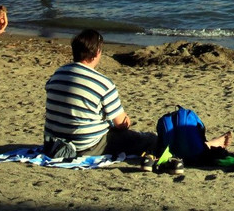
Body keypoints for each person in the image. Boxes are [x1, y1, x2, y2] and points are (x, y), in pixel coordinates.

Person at [44, 29, 158, 157]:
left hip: (53, 143)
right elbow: (121, 124)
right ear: (97, 52)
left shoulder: (58, 74)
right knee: (149, 139)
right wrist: (126, 121)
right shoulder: (102, 83)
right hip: (85, 145)